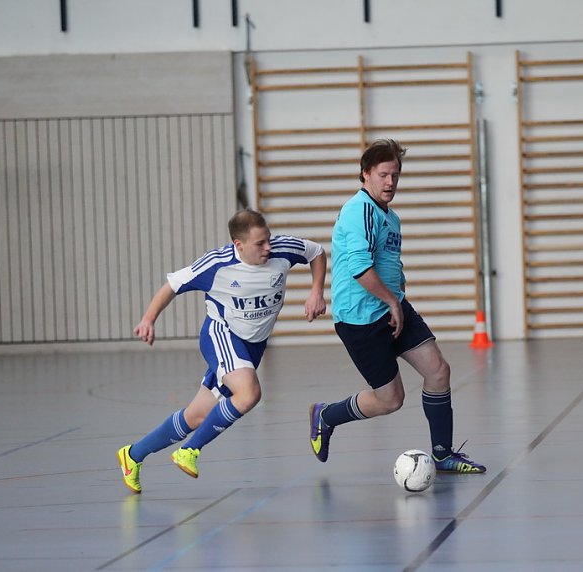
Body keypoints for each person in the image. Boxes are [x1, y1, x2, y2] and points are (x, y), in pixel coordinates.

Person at [118, 208, 326, 493]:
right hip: (222, 335)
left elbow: (316, 253)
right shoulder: (217, 264)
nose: (268, 247)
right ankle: (189, 450)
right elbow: (172, 286)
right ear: (238, 245)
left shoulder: (281, 249)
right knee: (250, 392)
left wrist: (316, 291)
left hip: (252, 346)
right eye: (260, 243)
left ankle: (132, 455)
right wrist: (148, 319)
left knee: (197, 416)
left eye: (268, 239)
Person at [309, 139, 486, 474]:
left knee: (438, 371)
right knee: (391, 400)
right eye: (383, 175)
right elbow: (359, 268)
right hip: (362, 319)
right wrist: (391, 300)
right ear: (365, 175)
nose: (390, 182)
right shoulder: (358, 210)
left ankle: (442, 454)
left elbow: (388, 262)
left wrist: (398, 292)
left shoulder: (392, 218)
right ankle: (326, 415)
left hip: (393, 308)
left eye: (395, 176)